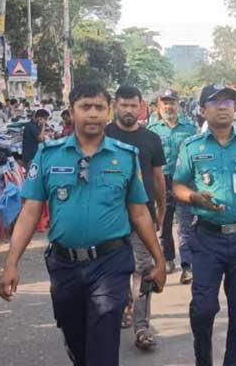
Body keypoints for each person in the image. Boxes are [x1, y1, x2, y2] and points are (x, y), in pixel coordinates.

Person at [0, 82, 166, 366]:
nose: (92, 114)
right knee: (77, 342)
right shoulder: (49, 155)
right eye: (85, 107)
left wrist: (159, 260)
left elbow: (139, 213)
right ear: (72, 112)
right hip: (65, 265)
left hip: (110, 262)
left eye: (99, 108)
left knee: (103, 343)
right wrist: (11, 263)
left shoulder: (125, 157)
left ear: (107, 112)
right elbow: (30, 212)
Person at [173, 84, 236, 366]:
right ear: (202, 110)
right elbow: (178, 185)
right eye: (215, 102)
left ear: (235, 109)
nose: (223, 106)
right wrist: (194, 197)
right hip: (207, 238)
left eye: (228, 102)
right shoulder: (192, 147)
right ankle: (203, 361)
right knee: (203, 309)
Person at [105, 85, 167, 350]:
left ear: (141, 106)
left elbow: (157, 177)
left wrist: (161, 210)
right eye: (124, 105)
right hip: (109, 218)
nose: (129, 110)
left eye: (134, 105)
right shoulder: (103, 135)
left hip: (142, 216)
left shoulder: (151, 139)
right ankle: (120, 308)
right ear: (115, 106)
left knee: (143, 269)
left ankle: (142, 327)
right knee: (113, 271)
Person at [147, 88, 198, 283]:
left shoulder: (190, 128)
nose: (168, 106)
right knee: (164, 223)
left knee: (186, 224)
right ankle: (168, 258)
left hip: (184, 181)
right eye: (164, 103)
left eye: (172, 102)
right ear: (159, 106)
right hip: (161, 181)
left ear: (178, 105)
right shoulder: (152, 130)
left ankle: (187, 265)